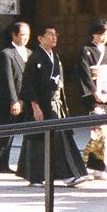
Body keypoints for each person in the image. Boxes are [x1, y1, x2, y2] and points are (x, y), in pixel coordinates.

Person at [16, 24, 89, 187]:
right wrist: (35, 107)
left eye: (55, 34)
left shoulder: (55, 56)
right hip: (41, 104)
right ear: (40, 38)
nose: (54, 37)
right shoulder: (35, 58)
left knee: (61, 139)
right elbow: (29, 84)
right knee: (38, 141)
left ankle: (69, 174)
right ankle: (36, 176)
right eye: (50, 34)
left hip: (55, 105)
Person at [76, 19, 107, 180]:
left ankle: (100, 167)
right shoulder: (86, 51)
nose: (105, 37)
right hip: (95, 97)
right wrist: (93, 92)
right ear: (94, 34)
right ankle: (96, 167)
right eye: (101, 33)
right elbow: (84, 74)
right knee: (98, 132)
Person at [0, 22, 30, 175]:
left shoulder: (30, 53)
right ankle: (1, 165)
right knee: (6, 132)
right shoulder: (6, 53)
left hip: (26, 98)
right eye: (22, 35)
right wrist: (14, 101)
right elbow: (8, 80)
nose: (25, 38)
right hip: (11, 99)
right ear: (14, 35)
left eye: (27, 35)